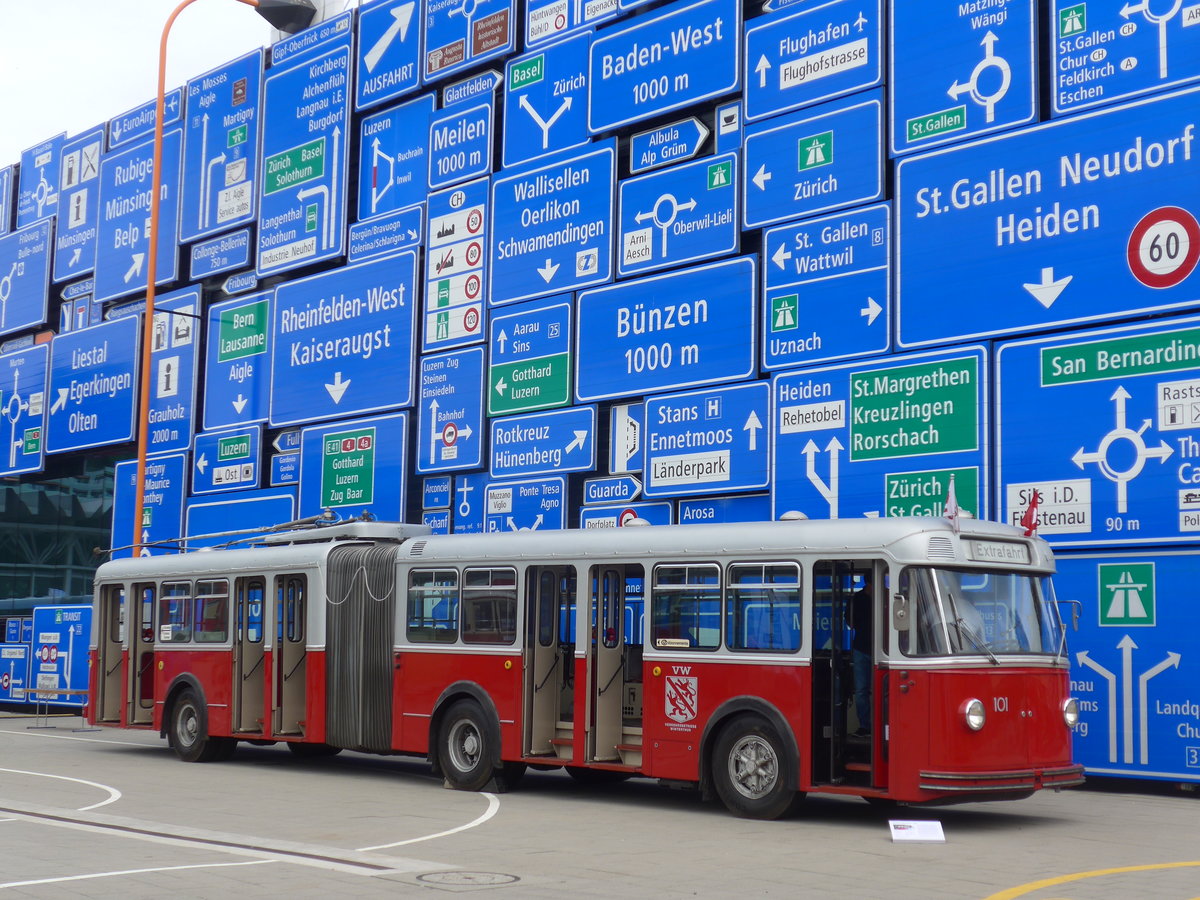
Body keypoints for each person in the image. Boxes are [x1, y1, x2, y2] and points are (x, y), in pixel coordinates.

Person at [850, 571, 873, 736]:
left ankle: (881, 724)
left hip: (881, 650)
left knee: (881, 690)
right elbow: (849, 621)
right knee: (861, 691)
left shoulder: (886, 595)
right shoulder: (856, 599)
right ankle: (865, 726)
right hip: (861, 649)